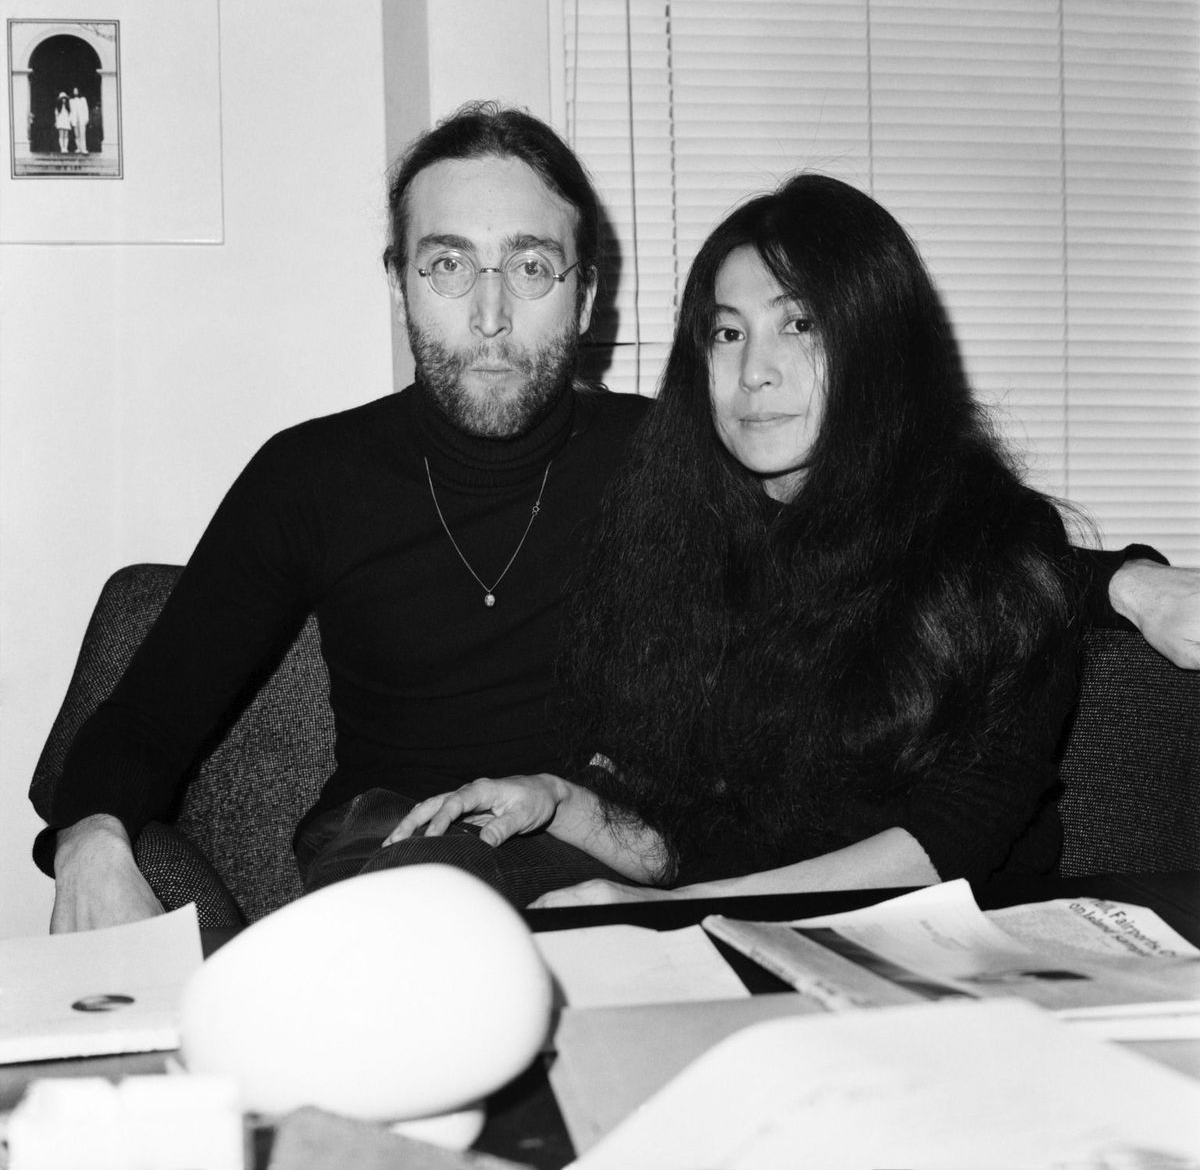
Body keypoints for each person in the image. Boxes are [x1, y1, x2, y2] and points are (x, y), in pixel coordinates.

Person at [37, 105, 1200, 932]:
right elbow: (146, 705)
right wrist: (93, 835)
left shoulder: (681, 448)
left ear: (585, 295)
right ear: (399, 282)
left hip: (632, 846)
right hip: (403, 850)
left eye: (531, 267)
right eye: (450, 266)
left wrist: (1124, 581)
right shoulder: (310, 475)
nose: (490, 315)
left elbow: (904, 520)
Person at [387, 173, 1195, 904]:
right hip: (752, 943)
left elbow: (950, 844)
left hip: (955, 955)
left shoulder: (994, 542)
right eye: (728, 333)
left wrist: (685, 914)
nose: (755, 373)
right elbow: (680, 844)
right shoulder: (678, 545)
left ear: (875, 343)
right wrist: (562, 802)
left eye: (799, 324)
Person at [68, 88, 89, 155]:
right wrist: (70, 120)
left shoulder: (83, 99)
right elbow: (71, 111)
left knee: (82, 134)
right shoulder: (71, 100)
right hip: (75, 119)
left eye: (76, 90)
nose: (75, 92)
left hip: (82, 118)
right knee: (76, 134)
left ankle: (84, 148)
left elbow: (86, 109)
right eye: (74, 91)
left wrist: (86, 118)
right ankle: (79, 147)